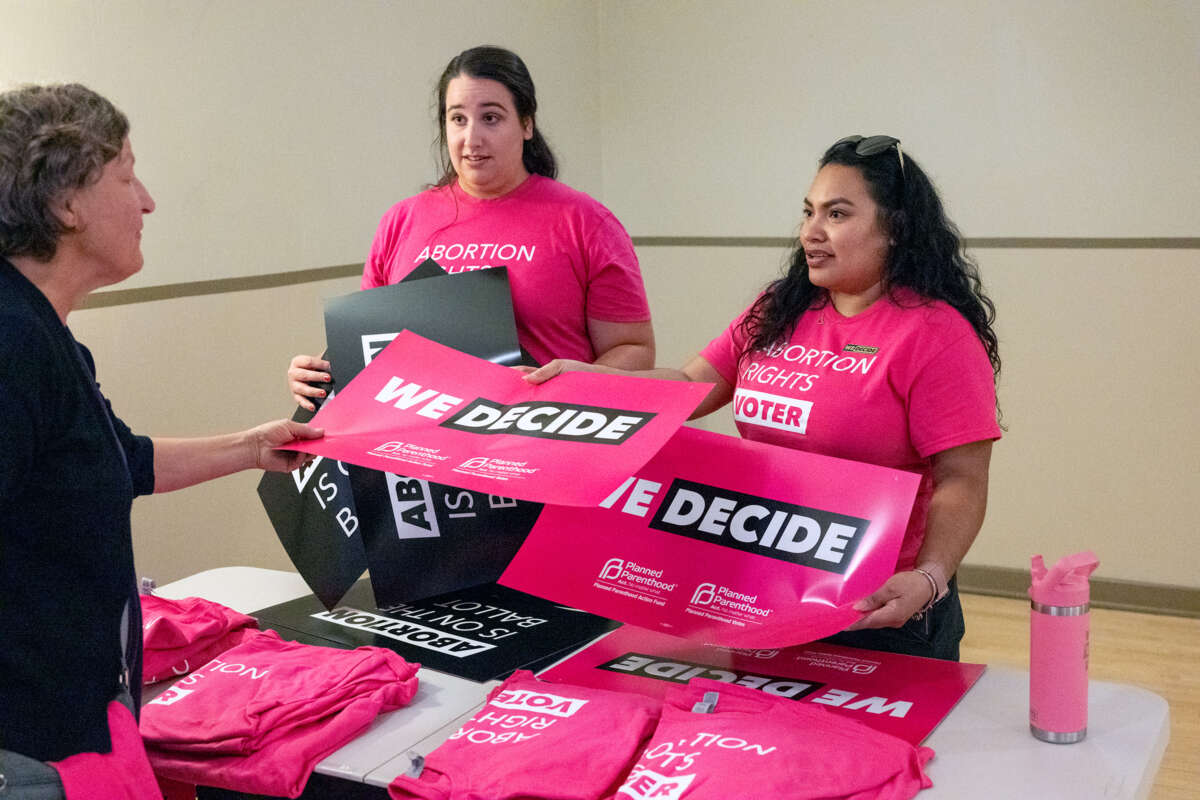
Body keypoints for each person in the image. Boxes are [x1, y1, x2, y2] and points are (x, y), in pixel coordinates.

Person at [524, 135, 1002, 661]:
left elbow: (962, 479)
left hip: (882, 609)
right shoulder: (779, 307)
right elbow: (689, 385)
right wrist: (590, 382)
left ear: (895, 229)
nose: (811, 233)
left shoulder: (937, 335)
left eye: (837, 214)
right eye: (808, 212)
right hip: (766, 592)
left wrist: (930, 578)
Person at [0, 83, 322, 794]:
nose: (147, 201)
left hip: (76, 721)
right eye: (126, 173)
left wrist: (251, 447)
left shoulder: (45, 336)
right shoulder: (11, 345)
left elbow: (121, 460)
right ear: (66, 203)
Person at [288, 45, 654, 409]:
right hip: (426, 452)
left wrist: (570, 388)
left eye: (491, 118)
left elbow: (635, 351)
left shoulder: (585, 223)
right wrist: (317, 379)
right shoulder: (402, 221)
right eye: (458, 119)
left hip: (547, 443)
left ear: (527, 124)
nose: (472, 139)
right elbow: (371, 352)